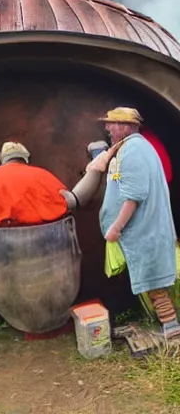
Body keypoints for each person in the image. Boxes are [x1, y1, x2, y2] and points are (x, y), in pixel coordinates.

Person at [97, 107, 180, 338]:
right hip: (140, 230)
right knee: (145, 277)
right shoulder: (132, 146)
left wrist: (116, 227)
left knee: (153, 281)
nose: (107, 128)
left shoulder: (133, 149)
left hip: (143, 230)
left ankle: (171, 326)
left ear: (125, 126)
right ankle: (163, 323)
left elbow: (134, 195)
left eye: (111, 124)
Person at [0, 141, 112, 227]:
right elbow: (71, 201)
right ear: (25, 158)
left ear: (3, 159)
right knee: (76, 198)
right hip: (44, 248)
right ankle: (99, 156)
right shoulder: (41, 175)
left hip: (2, 251)